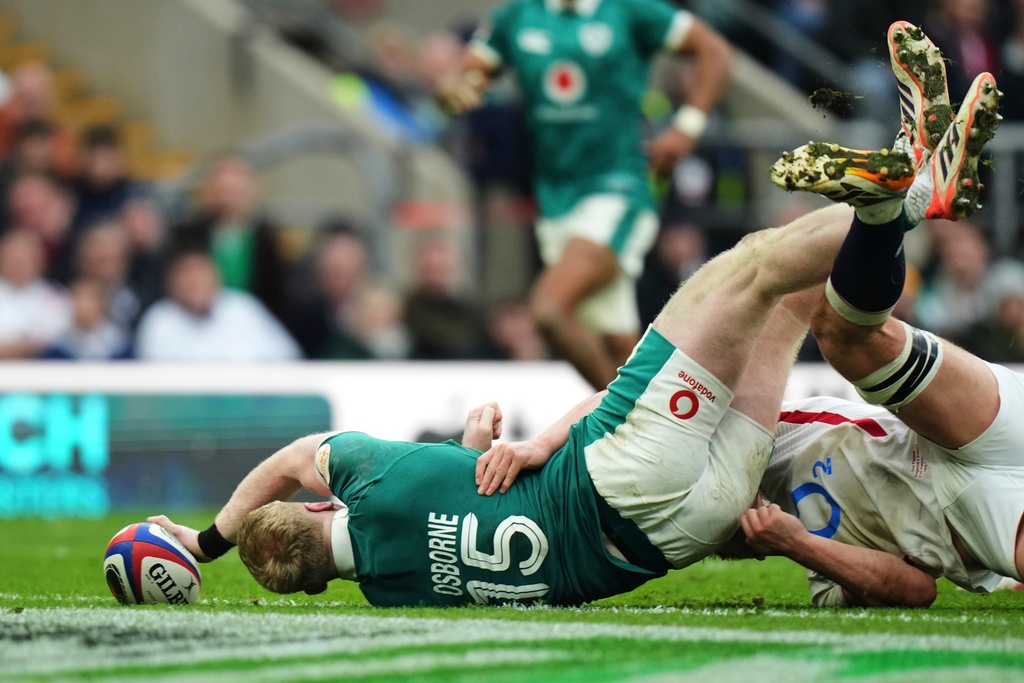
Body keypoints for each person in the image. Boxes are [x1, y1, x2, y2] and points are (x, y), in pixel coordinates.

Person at [147, 188, 870, 605]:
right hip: (627, 475)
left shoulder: (393, 593)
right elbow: (297, 454)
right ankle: (904, 201)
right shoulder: (380, 480)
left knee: (789, 304)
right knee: (747, 267)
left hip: (688, 529)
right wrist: (205, 542)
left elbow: (453, 515)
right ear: (317, 504)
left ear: (312, 587)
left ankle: (882, 225)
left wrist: (467, 447)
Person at [738, 22, 1022, 607]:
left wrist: (542, 445)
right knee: (843, 333)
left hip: (957, 433)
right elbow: (915, 590)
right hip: (968, 527)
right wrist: (798, 545)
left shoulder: (751, 431)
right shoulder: (797, 540)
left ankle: (909, 195)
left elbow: (633, 407)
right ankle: (911, 195)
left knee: (843, 336)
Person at [436, 0, 733, 390]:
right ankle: (668, 428)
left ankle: (624, 425)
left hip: (617, 189)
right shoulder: (516, 17)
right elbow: (466, 76)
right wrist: (452, 90)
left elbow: (713, 50)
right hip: (555, 197)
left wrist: (686, 128)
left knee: (549, 310)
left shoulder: (629, 10)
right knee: (615, 347)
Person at [135, 251, 301, 362]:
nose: (194, 282)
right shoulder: (159, 321)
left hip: (249, 408)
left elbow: (288, 357)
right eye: (187, 275)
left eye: (200, 274)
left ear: (217, 278)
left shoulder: (243, 308)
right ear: (171, 284)